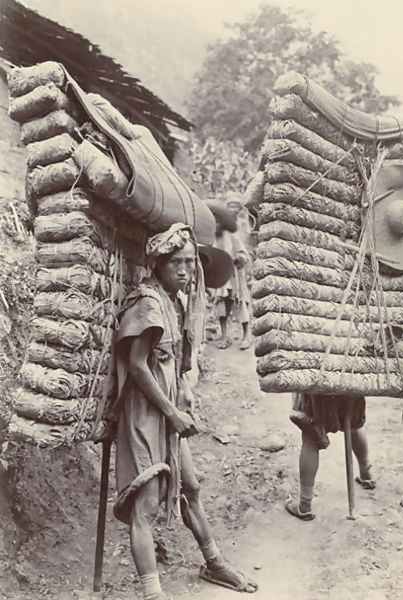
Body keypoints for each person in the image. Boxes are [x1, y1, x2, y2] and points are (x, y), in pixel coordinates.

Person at [110, 223, 258, 599]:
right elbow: (139, 365)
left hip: (168, 410)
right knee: (146, 502)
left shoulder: (173, 302)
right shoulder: (148, 302)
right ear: (158, 264)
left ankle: (214, 562)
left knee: (190, 486)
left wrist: (182, 398)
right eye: (176, 262)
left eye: (190, 263)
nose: (185, 270)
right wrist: (171, 413)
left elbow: (172, 364)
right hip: (145, 412)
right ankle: (152, 592)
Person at [286, 392, 375, 521]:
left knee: (310, 437)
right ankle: (366, 474)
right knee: (354, 424)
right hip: (349, 381)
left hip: (319, 389)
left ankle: (305, 505)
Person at [214, 201, 252, 350]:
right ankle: (224, 336)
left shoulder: (233, 235)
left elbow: (244, 255)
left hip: (234, 275)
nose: (216, 225)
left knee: (240, 303)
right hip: (221, 275)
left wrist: (238, 259)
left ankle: (246, 336)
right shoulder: (213, 237)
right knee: (221, 305)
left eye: (218, 222)